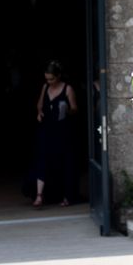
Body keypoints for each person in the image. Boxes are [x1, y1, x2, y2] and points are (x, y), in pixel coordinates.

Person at [32, 60, 78, 207]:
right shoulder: (45, 87)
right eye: (47, 79)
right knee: (42, 160)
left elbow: (75, 109)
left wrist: (66, 110)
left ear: (58, 76)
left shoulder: (67, 89)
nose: (49, 81)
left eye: (51, 78)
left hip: (62, 130)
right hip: (46, 129)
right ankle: (39, 195)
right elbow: (39, 105)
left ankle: (66, 196)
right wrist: (39, 113)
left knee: (63, 162)